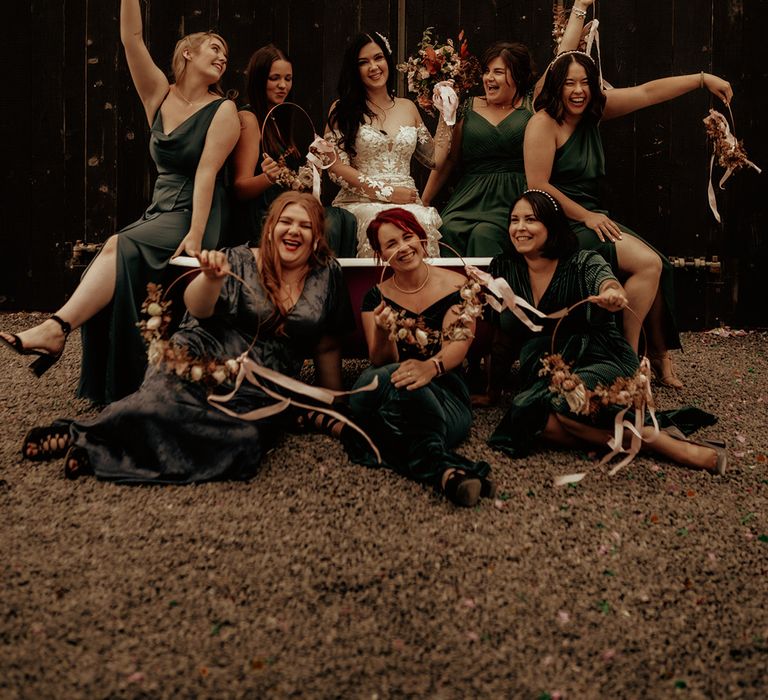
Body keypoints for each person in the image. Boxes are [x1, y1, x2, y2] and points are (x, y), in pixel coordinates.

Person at [20, 192, 356, 483]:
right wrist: (210, 278)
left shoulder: (328, 274)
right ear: (270, 229)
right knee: (165, 403)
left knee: (244, 442)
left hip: (259, 386)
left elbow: (327, 342)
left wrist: (334, 401)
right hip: (200, 355)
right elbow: (199, 307)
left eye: (306, 226)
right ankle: (89, 436)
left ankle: (97, 446)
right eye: (286, 222)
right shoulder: (238, 259)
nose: (294, 230)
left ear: (316, 237)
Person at [1, 0, 240, 404]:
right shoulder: (159, 97)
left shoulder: (224, 109)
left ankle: (57, 328)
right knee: (111, 254)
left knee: (118, 245)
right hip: (159, 211)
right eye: (214, 48)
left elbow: (205, 174)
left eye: (225, 55)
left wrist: (197, 235)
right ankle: (65, 336)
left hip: (194, 214)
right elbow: (131, 39)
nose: (222, 57)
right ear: (188, 52)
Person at [524, 50, 733, 386]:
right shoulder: (543, 123)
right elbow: (537, 186)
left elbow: (648, 93)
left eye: (585, 83)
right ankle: (626, 355)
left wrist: (700, 79)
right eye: (569, 83)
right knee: (648, 264)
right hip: (559, 219)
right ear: (557, 87)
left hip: (592, 216)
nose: (578, 90)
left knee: (660, 264)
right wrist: (587, 217)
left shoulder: (594, 112)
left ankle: (657, 354)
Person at [486, 191, 726, 474]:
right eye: (514, 220)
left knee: (564, 404)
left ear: (551, 226)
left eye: (530, 220)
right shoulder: (502, 268)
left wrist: (613, 294)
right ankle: (653, 441)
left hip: (598, 354)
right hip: (547, 365)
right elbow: (502, 336)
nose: (520, 228)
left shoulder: (582, 261)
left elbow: (608, 283)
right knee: (534, 416)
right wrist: (492, 389)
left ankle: (678, 450)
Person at [331, 208, 495, 507]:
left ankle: (441, 470)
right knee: (379, 379)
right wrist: (382, 332)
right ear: (381, 254)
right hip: (389, 379)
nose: (403, 247)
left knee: (407, 396)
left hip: (444, 393)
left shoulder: (457, 286)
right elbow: (380, 360)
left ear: (421, 238)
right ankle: (444, 469)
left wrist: (429, 367)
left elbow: (457, 348)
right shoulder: (375, 296)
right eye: (391, 244)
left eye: (407, 237)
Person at [422, 0, 595, 257]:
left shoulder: (532, 103)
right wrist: (422, 202)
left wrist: (580, 6)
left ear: (517, 76)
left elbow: (562, 56)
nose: (489, 78)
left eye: (499, 72)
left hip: (513, 199)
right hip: (469, 199)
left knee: (485, 235)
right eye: (487, 71)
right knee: (448, 232)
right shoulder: (467, 107)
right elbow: (448, 161)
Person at [325, 32, 451, 257]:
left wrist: (446, 117)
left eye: (378, 58)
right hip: (360, 202)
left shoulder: (408, 107)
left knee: (418, 221)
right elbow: (336, 170)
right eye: (363, 62)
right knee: (383, 224)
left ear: (388, 60)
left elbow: (435, 159)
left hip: (409, 202)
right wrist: (389, 193)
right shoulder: (341, 109)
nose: (373, 66)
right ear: (354, 70)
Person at [228, 44, 357, 256]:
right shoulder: (250, 119)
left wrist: (314, 165)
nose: (282, 85)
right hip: (266, 218)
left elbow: (288, 178)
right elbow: (240, 188)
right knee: (332, 221)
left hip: (286, 210)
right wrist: (267, 178)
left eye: (288, 79)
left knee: (346, 219)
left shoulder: (278, 120)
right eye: (274, 78)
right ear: (259, 79)